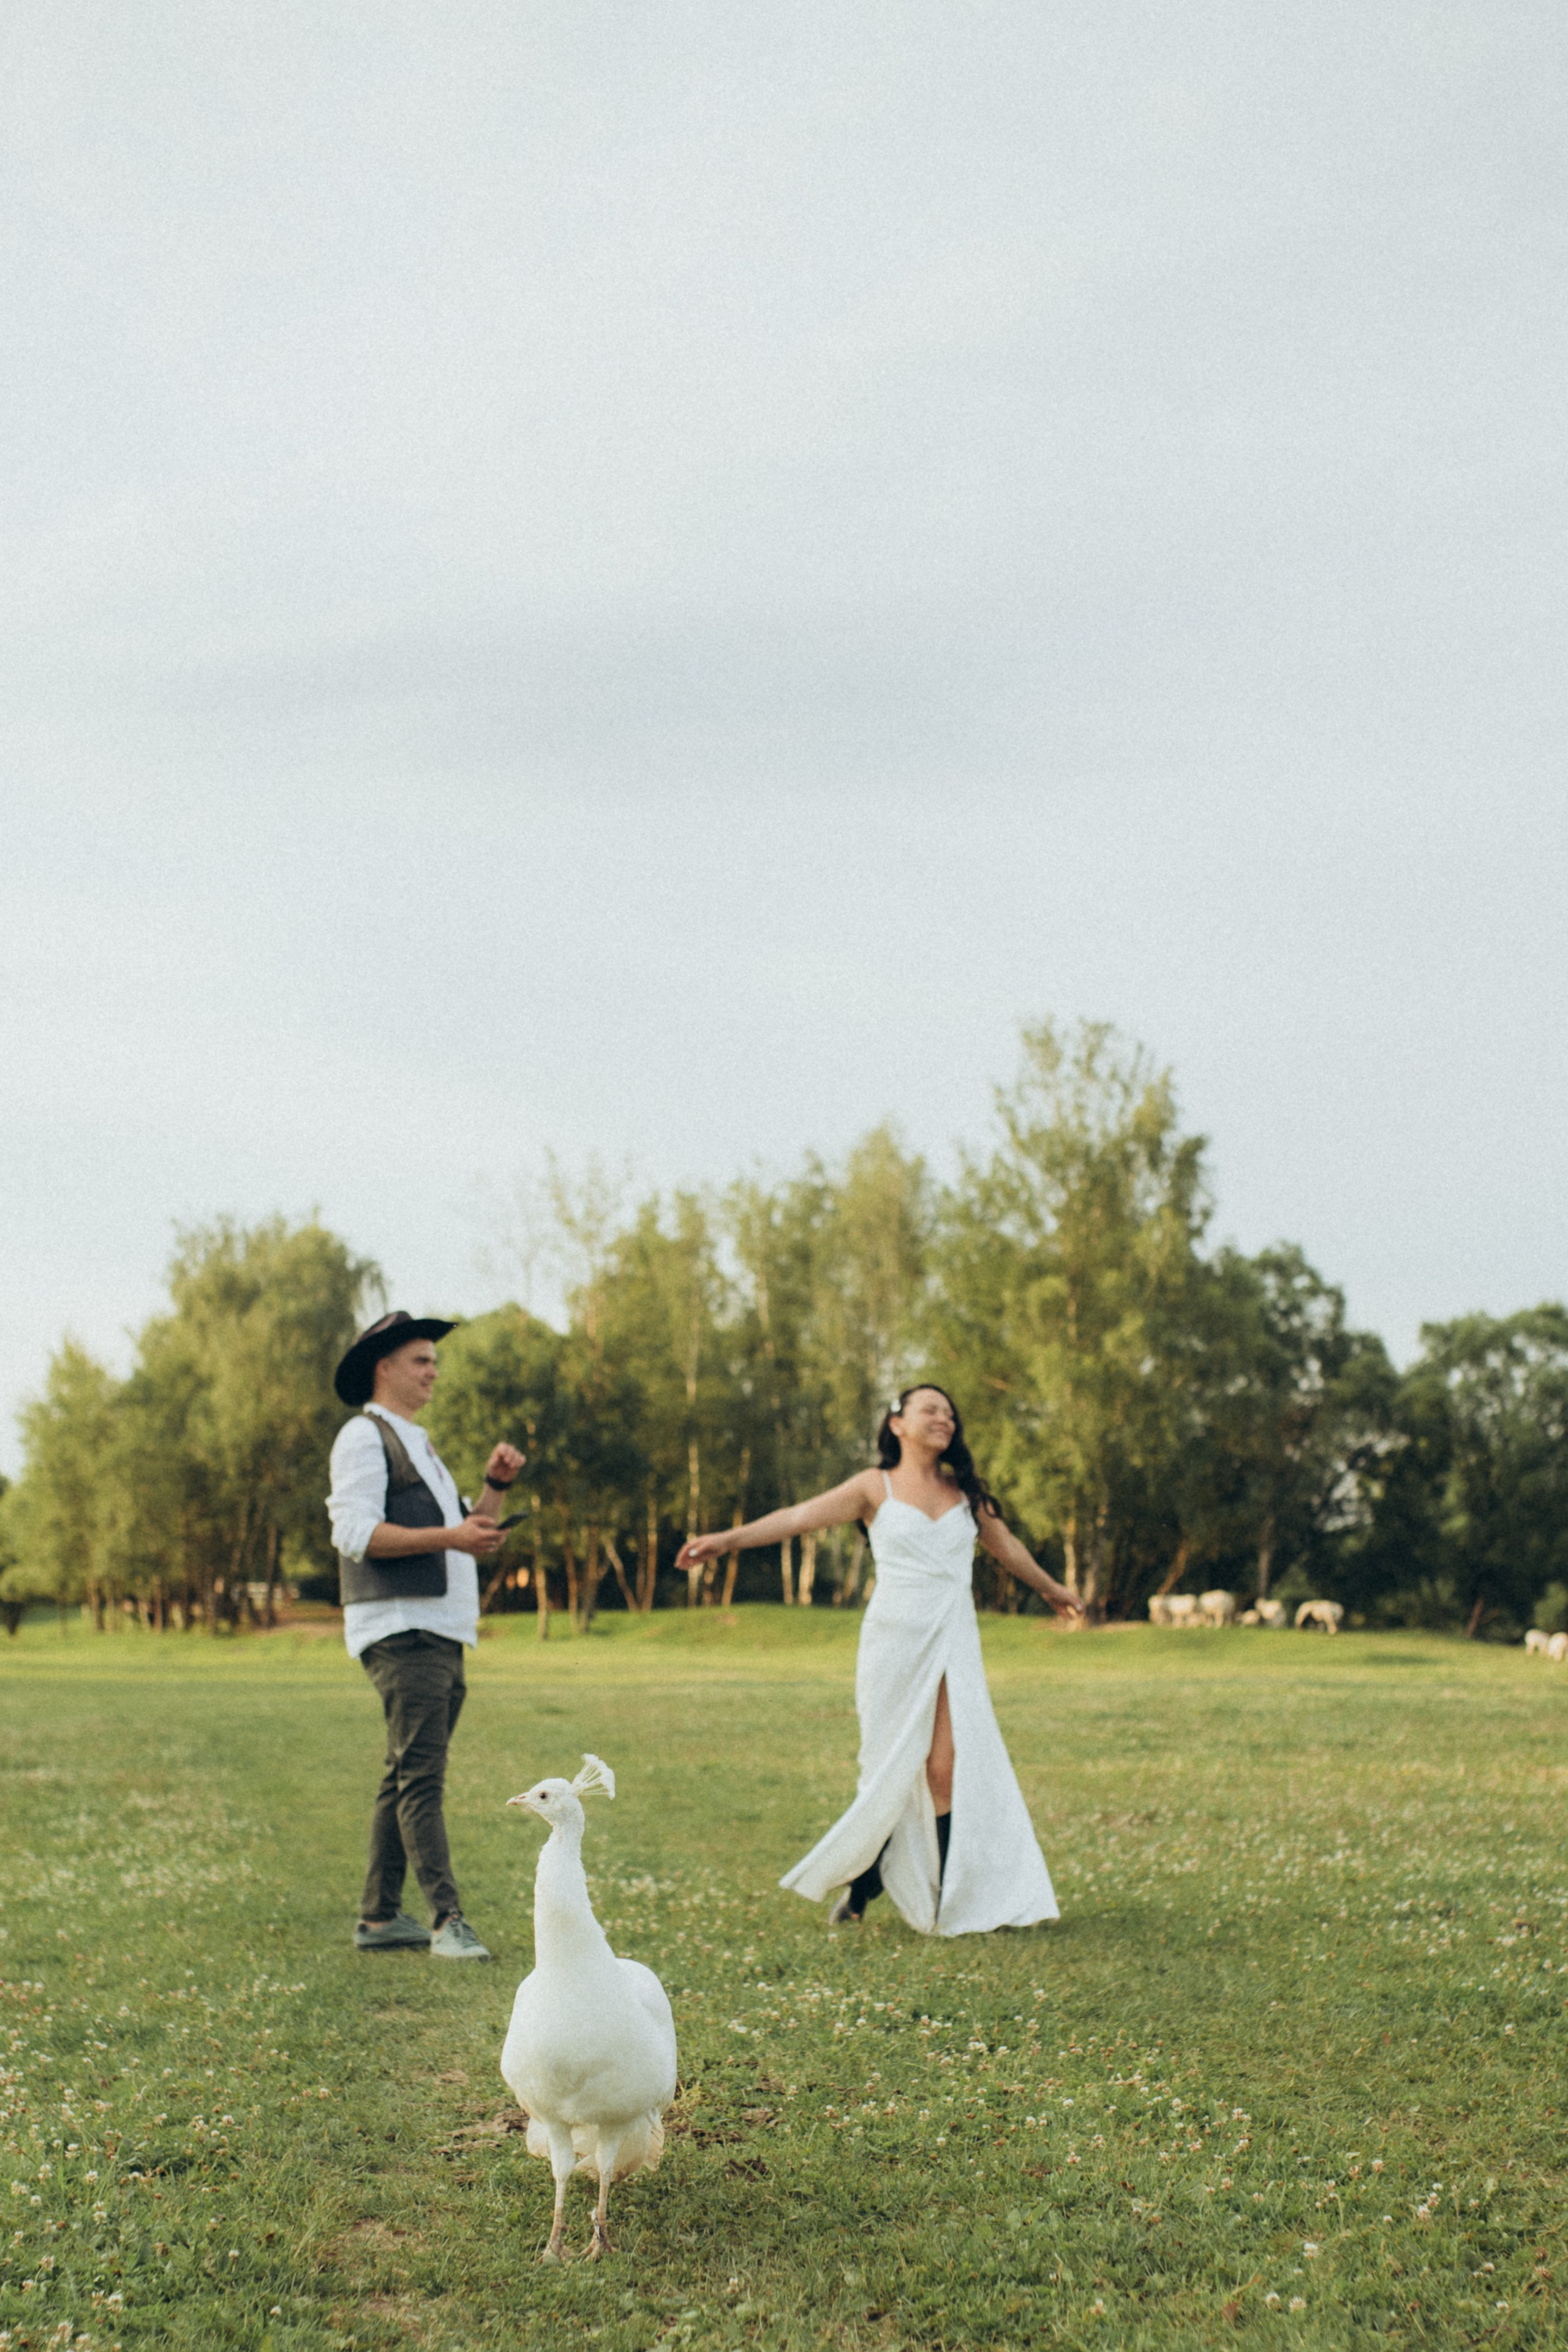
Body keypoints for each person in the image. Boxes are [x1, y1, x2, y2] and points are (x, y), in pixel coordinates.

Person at [676, 1384, 1083, 1936]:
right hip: (894, 1642)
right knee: (888, 1768)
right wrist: (727, 1540)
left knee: (944, 1770)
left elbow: (1007, 1548)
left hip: (951, 1637)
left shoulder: (964, 1492)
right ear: (897, 1424)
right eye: (930, 1410)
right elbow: (799, 1517)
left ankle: (947, 1898)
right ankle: (865, 1879)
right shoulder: (875, 1486)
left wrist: (1054, 1589)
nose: (944, 1419)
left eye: (949, 1413)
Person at [326, 1310, 523, 1959]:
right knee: (422, 1779)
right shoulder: (363, 1437)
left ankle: (380, 1919)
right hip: (402, 1629)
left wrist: (493, 1491)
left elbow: (467, 1537)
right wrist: (453, 1534)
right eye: (421, 1360)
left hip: (439, 1630)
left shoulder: (418, 1443)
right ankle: (447, 1922)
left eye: (434, 1360)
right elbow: (355, 1533)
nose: (434, 1369)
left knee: (403, 1774)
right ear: (384, 1369)